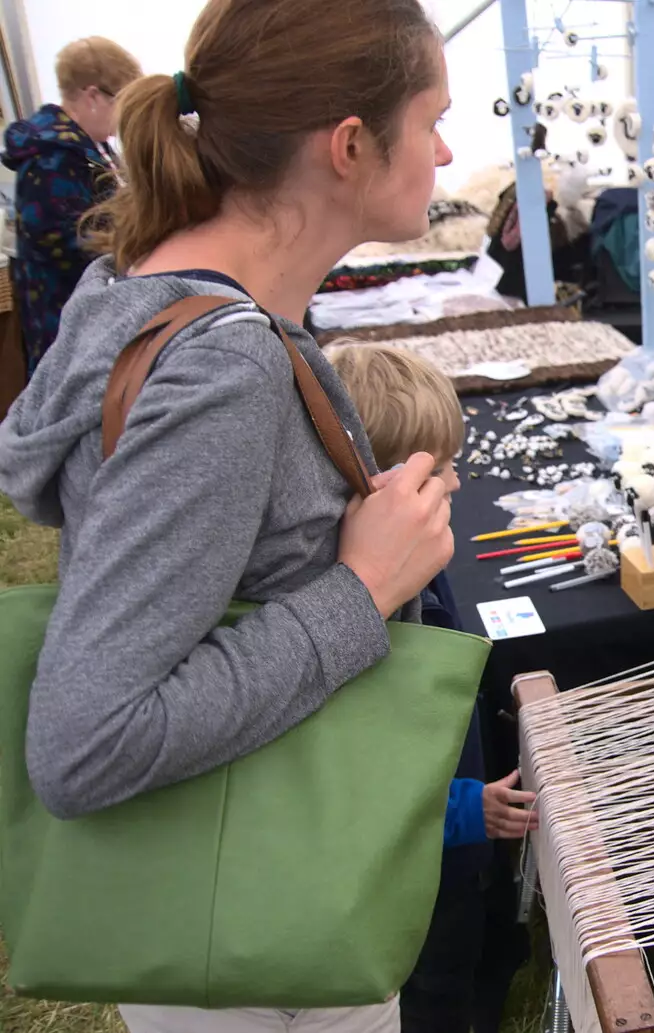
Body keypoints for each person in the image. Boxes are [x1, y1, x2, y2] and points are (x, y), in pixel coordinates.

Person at [0, 1, 456, 1031]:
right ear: (348, 146)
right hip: (254, 924)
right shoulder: (224, 366)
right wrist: (361, 589)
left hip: (221, 909)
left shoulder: (143, 284)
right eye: (432, 119)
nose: (446, 150)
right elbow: (85, 742)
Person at [325, 342, 537, 1033]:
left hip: (455, 845)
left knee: (473, 963)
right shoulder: (365, 613)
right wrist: (464, 811)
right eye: (439, 468)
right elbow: (361, 776)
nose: (454, 482)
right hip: (416, 873)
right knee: (433, 992)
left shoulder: (419, 570)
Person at [2, 36, 142, 377]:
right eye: (121, 101)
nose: (123, 117)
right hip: (65, 321)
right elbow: (70, 242)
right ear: (92, 95)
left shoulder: (92, 148)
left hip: (96, 309)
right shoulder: (50, 158)